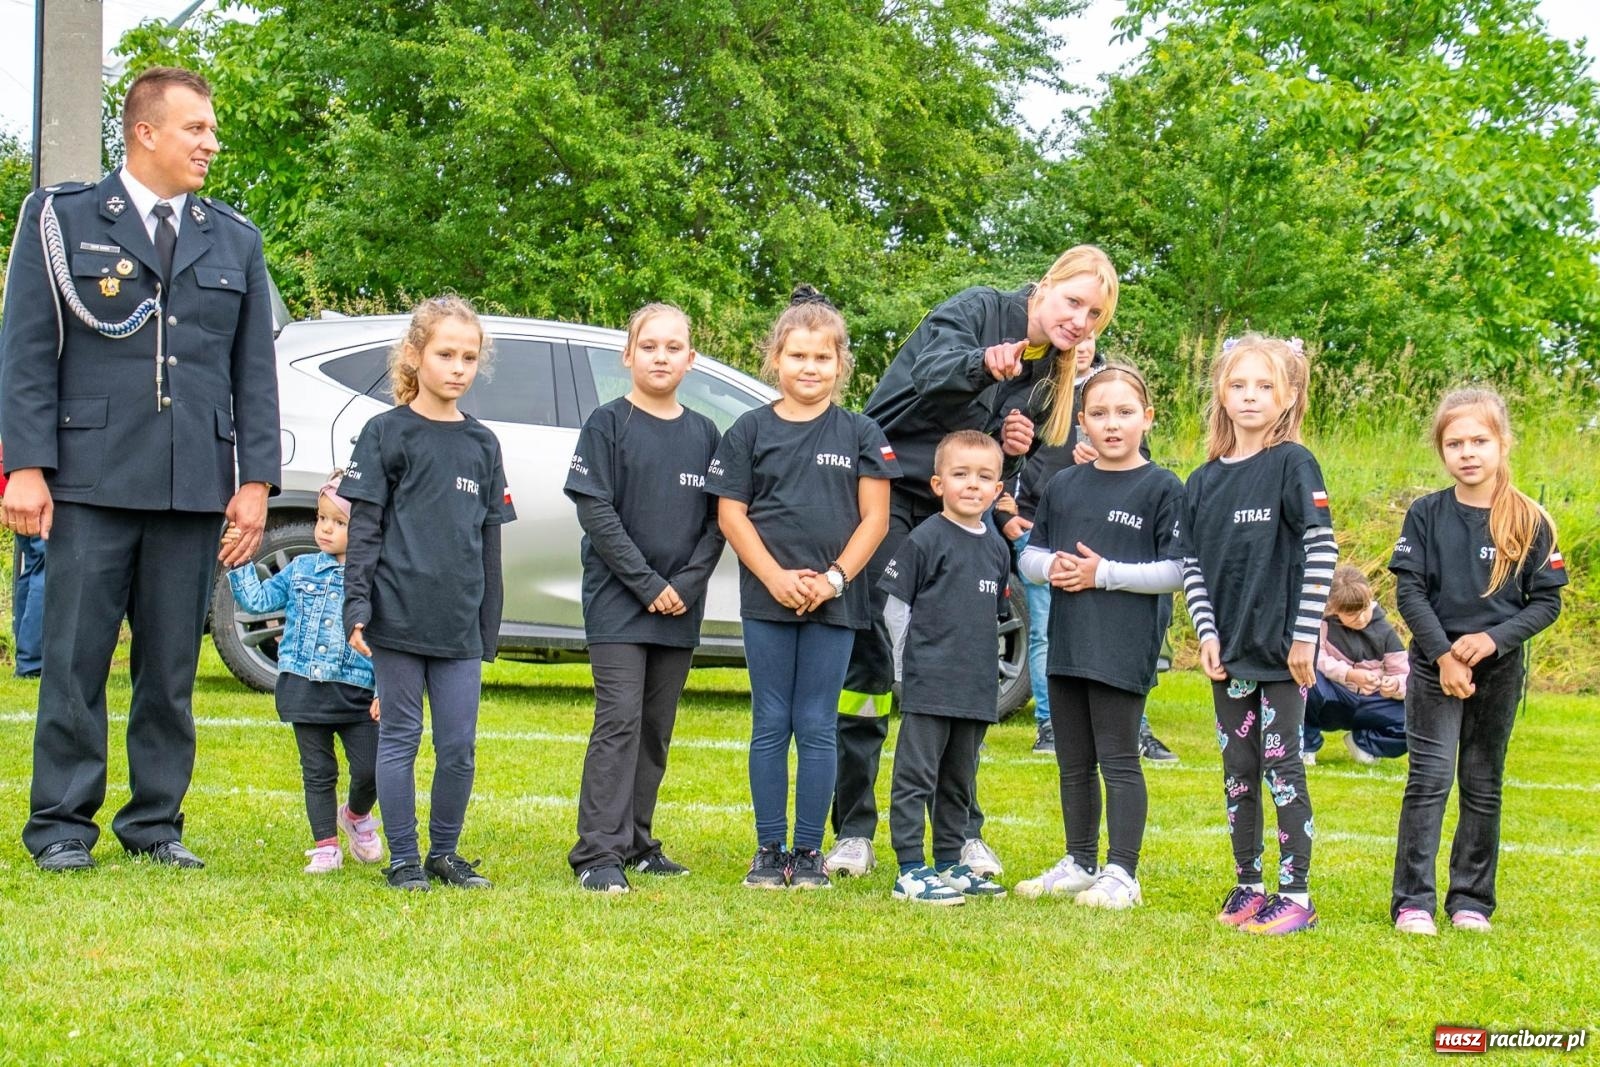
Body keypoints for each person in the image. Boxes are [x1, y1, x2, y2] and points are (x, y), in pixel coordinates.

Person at [1, 66, 280, 872]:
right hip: (88, 478)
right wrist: (26, 466)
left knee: (170, 670)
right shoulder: (65, 220)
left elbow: (250, 374)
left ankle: (156, 823)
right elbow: (24, 352)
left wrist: (255, 481)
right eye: (197, 128)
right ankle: (60, 823)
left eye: (212, 129)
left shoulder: (233, 238)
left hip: (191, 484)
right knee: (76, 659)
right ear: (146, 132)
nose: (211, 143)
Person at [827, 245, 1120, 881]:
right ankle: (853, 829)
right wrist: (982, 365)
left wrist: (1012, 454)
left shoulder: (1054, 374)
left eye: (1095, 315)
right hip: (887, 491)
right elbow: (930, 375)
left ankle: (961, 833)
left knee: (962, 662)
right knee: (873, 657)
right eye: (1074, 302)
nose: (1080, 320)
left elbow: (994, 472)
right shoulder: (980, 309)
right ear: (1045, 287)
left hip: (961, 515)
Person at [707, 286, 897, 891]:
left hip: (836, 603)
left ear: (840, 364)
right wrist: (775, 577)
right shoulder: (748, 430)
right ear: (775, 359)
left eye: (822, 358)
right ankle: (768, 851)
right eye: (797, 357)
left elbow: (876, 518)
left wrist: (835, 578)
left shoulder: (861, 432)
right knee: (772, 722)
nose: (809, 368)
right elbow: (731, 514)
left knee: (817, 725)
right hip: (769, 599)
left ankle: (809, 854)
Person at [342, 295, 516, 892]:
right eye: (446, 354)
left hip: (458, 624)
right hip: (397, 616)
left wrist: (488, 622)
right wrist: (357, 605)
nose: (458, 367)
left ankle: (444, 853)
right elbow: (363, 530)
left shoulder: (484, 444)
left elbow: (489, 541)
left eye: (469, 357)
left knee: (459, 746)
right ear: (415, 356)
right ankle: (404, 860)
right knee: (400, 738)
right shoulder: (385, 432)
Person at [1389, 388, 1565, 936]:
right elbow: (1410, 593)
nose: (1468, 453)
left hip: (1498, 669)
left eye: (1480, 441)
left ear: (1502, 443)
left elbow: (1547, 602)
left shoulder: (1531, 520)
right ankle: (1412, 901)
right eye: (1455, 443)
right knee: (1431, 778)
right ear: (1441, 451)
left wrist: (1491, 642)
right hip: (1434, 668)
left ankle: (1471, 900)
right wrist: (1443, 654)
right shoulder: (1425, 514)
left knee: (1483, 782)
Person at [565, 304, 723, 894]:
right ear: (628, 355)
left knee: (655, 726)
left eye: (673, 346)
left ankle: (636, 841)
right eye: (649, 346)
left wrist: (684, 586)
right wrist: (648, 584)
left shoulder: (705, 433)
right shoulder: (608, 424)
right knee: (619, 721)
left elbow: (718, 521)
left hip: (679, 607)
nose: (661, 356)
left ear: (691, 359)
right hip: (618, 604)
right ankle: (597, 855)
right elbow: (595, 513)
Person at [1014, 365, 1185, 908]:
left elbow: (1178, 571)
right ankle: (1080, 860)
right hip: (1067, 644)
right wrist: (1052, 568)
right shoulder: (1064, 484)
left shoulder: (1162, 487)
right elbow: (1030, 553)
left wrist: (1103, 573)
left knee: (1118, 757)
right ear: (1082, 422)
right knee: (1072, 759)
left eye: (1125, 413)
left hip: (1123, 645)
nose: (1113, 425)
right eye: (1100, 414)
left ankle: (1123, 873)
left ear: (1147, 418)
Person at [1181, 335, 1336, 935]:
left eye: (1265, 386)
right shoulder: (1201, 481)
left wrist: (1304, 638)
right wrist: (1207, 634)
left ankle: (1296, 895)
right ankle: (1249, 883)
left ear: (1288, 396)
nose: (1250, 396)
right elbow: (1193, 565)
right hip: (1231, 654)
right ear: (1221, 392)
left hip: (1282, 653)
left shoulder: (1294, 464)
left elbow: (1322, 549)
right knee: (1238, 768)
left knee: (1283, 768)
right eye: (1239, 384)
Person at [998, 338, 1180, 764]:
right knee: (1044, 629)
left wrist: (1100, 462)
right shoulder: (1036, 388)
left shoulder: (1114, 387)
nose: (1109, 422)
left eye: (1089, 334)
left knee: (1124, 635)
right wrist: (1005, 509)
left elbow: (1141, 465)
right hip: (1043, 524)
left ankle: (1136, 727)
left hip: (1116, 537)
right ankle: (1050, 723)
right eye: (1098, 415)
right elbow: (1006, 451)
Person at [227, 474, 383, 873]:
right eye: (321, 519)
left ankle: (356, 815)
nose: (326, 529)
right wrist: (240, 562)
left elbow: (386, 641)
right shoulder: (300, 570)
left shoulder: (375, 578)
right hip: (304, 686)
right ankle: (325, 846)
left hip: (357, 692)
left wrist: (386, 688)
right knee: (318, 772)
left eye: (339, 522)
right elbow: (258, 600)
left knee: (370, 769)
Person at [884, 431, 1012, 905]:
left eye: (984, 477)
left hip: (974, 688)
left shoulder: (998, 549)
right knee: (916, 776)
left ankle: (950, 862)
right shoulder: (925, 539)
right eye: (960, 475)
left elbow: (993, 620)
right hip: (929, 683)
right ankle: (911, 869)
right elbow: (896, 609)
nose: (972, 485)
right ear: (939, 484)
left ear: (998, 489)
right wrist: (904, 669)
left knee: (959, 780)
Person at [1303, 564, 1408, 766]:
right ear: (1336, 609)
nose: (1361, 618)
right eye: (1351, 614)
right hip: (1332, 696)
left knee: (1415, 722)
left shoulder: (1385, 632)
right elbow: (1316, 657)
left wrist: (1394, 685)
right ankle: (1306, 746)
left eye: (1364, 609)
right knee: (1306, 678)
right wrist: (1349, 674)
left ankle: (1363, 743)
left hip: (1371, 701)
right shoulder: (1323, 623)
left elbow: (1404, 674)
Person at [0, 441, 46, 679]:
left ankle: (27, 656)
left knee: (33, 563)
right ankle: (32, 660)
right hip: (33, 478)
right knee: (46, 565)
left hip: (14, 474)